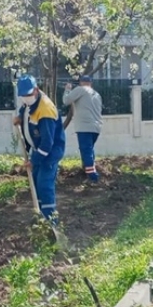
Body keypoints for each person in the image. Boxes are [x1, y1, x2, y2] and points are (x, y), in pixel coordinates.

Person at [12, 75, 66, 225]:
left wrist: (34, 160)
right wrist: (19, 117)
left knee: (44, 185)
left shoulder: (46, 110)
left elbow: (47, 143)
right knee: (36, 184)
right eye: (23, 95)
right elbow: (26, 109)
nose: (25, 98)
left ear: (36, 90)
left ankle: (51, 223)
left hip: (49, 154)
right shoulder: (30, 103)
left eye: (28, 95)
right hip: (38, 151)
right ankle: (42, 217)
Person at [62, 75, 103, 182]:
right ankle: (90, 171)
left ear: (81, 83)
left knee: (86, 150)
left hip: (84, 127)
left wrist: (67, 89)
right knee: (90, 150)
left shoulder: (80, 90)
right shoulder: (96, 94)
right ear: (91, 83)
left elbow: (66, 101)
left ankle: (93, 178)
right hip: (96, 127)